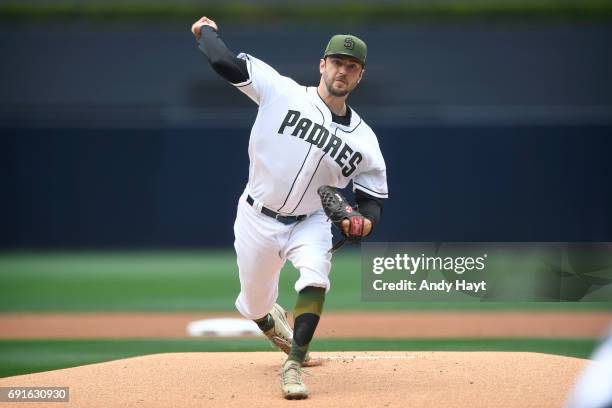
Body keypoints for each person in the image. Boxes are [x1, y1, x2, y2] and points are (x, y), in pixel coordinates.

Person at [191, 16, 388, 400]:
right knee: (253, 304)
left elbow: (372, 200)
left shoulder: (365, 141)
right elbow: (225, 63)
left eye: (351, 66)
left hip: (311, 220)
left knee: (316, 278)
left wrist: (364, 223)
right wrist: (206, 32)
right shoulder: (282, 92)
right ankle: (268, 318)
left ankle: (294, 364)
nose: (342, 70)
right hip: (255, 215)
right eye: (336, 62)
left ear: (360, 75)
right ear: (322, 65)